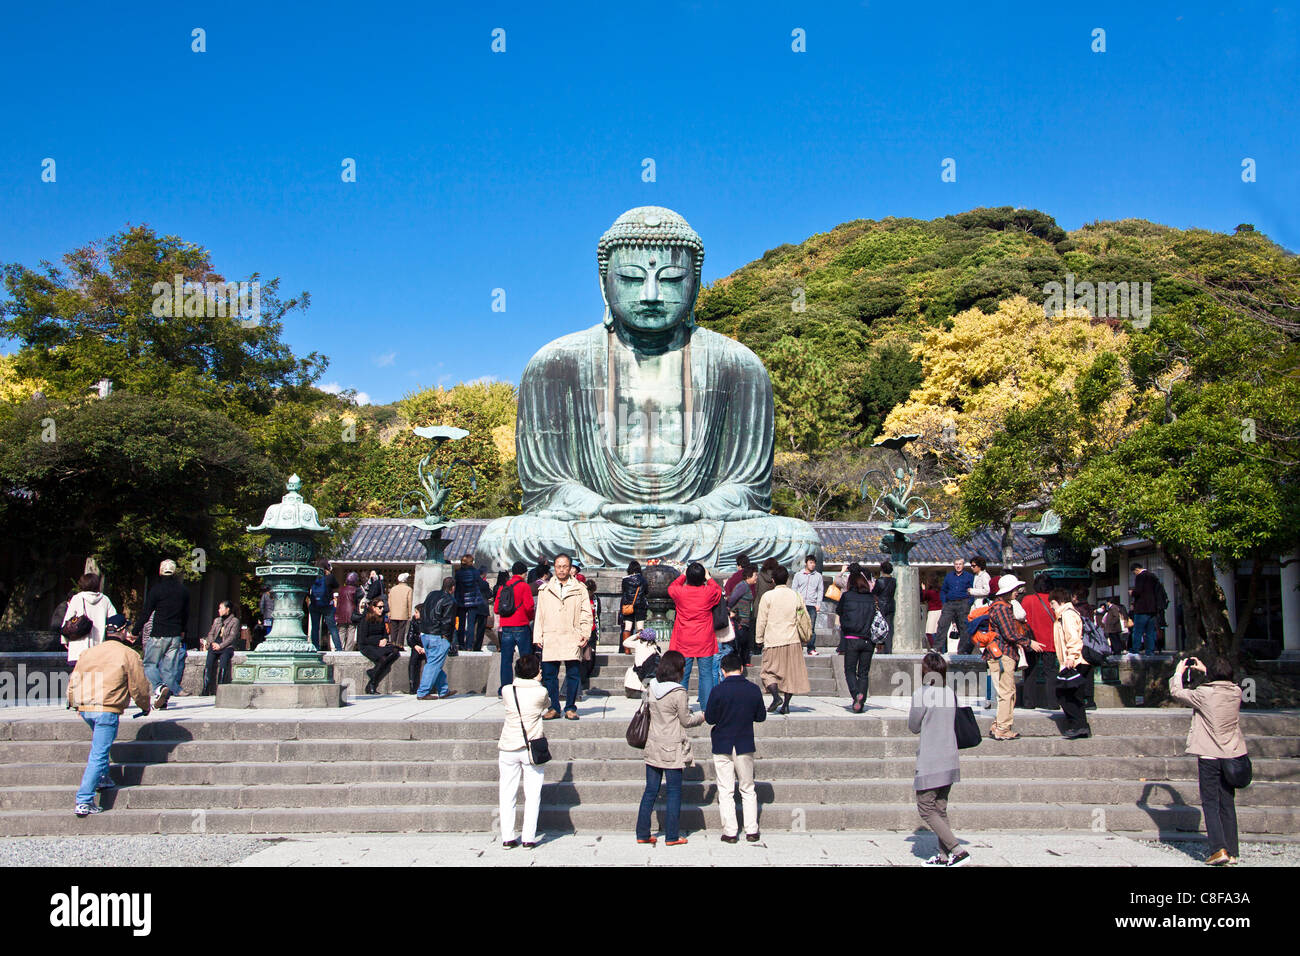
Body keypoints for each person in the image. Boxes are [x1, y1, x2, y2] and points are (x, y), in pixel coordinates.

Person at [67, 615, 151, 817]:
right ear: (123, 631)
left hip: (86, 707)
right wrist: (145, 705)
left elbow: (74, 679)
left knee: (99, 747)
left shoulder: (89, 652)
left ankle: (103, 778)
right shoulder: (128, 654)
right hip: (107, 708)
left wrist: (74, 702)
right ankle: (84, 800)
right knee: (98, 754)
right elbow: (138, 686)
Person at [1170, 656, 1248, 865]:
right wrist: (1208, 670)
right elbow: (1221, 683)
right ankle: (1231, 851)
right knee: (1227, 803)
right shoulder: (1236, 692)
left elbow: (1177, 693)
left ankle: (1218, 849)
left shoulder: (1204, 693)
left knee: (1210, 803)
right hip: (1231, 753)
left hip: (1209, 755)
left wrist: (1178, 672)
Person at [635, 650, 705, 846]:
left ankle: (642, 832)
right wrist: (702, 716)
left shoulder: (652, 687)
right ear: (678, 669)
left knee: (650, 790)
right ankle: (672, 835)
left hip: (653, 742)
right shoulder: (678, 692)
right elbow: (686, 720)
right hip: (672, 745)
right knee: (674, 791)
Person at [908, 652, 969, 866]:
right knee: (940, 808)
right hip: (950, 757)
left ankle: (957, 850)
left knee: (925, 806)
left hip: (931, 759)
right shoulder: (949, 693)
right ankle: (945, 857)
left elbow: (913, 726)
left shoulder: (922, 694)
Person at [705, 652, 766, 843]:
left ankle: (730, 831)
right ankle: (751, 830)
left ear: (723, 671)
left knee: (726, 789)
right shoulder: (753, 689)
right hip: (744, 741)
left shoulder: (718, 691)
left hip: (722, 742)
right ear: (741, 668)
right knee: (748, 787)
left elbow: (710, 718)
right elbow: (761, 716)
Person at [499, 654, 550, 849]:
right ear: (536, 672)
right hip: (531, 746)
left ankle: (507, 836)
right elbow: (546, 706)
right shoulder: (541, 692)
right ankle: (528, 837)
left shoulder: (506, 690)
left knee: (507, 792)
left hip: (508, 746)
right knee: (532, 794)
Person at [533, 554, 592, 720]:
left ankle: (571, 707)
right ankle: (553, 707)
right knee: (550, 674)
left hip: (571, 634)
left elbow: (586, 614)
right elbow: (540, 614)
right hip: (551, 634)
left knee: (573, 673)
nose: (561, 570)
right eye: (558, 566)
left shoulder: (580, 588)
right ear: (554, 567)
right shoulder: (545, 589)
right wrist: (538, 635)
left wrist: (585, 633)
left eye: (565, 566)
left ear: (570, 567)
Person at [134, 559, 191, 710]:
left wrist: (135, 630)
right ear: (174, 572)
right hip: (175, 635)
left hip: (159, 633)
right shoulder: (183, 591)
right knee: (169, 669)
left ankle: (159, 688)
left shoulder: (157, 590)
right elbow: (186, 614)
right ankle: (163, 701)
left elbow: (146, 613)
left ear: (160, 571)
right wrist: (183, 629)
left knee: (149, 664)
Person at [755, 565, 811, 715]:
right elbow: (804, 616)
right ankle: (785, 704)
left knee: (768, 672)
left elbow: (761, 620)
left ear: (772, 580)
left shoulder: (768, 596)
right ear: (787, 579)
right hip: (792, 639)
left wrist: (758, 638)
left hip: (773, 639)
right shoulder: (796, 595)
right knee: (790, 674)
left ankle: (775, 696)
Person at [667, 562, 723, 712]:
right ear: (702, 578)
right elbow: (718, 590)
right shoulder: (708, 592)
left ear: (688, 577)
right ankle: (707, 707)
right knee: (706, 675)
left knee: (683, 675)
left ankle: (682, 707)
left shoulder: (680, 592)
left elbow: (671, 587)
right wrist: (709, 578)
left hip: (684, 638)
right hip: (704, 638)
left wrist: (683, 575)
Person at [984, 574, 1032, 740]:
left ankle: (999, 724)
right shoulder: (1003, 608)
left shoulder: (996, 606)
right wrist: (1029, 642)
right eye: (1014, 589)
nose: (1017, 592)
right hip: (1003, 653)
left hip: (997, 652)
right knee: (1007, 692)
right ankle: (1003, 728)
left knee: (1005, 691)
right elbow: (1010, 634)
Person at [1049, 588, 1091, 738]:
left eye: (1052, 602)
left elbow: (1073, 637)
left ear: (1059, 601)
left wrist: (1071, 656)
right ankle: (1079, 726)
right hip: (1072, 660)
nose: (1051, 606)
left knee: (1066, 694)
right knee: (1071, 694)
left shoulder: (1066, 615)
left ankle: (1078, 725)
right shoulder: (1067, 614)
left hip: (1073, 660)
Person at [837, 571, 879, 713]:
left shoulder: (846, 596)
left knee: (849, 670)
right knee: (863, 672)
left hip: (852, 638)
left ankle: (856, 694)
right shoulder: (871, 598)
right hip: (868, 640)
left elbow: (840, 612)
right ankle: (860, 702)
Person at [495, 561, 536, 692]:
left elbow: (496, 608)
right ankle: (526, 684)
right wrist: (530, 618)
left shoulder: (503, 587)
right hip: (521, 624)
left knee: (506, 659)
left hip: (506, 626)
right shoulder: (524, 586)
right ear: (524, 573)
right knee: (525, 657)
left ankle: (505, 687)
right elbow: (529, 606)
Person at [61, 572, 117, 665]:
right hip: (98, 648)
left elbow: (67, 622)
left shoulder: (77, 598)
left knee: (79, 677)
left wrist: (64, 640)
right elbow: (114, 619)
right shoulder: (105, 599)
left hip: (78, 648)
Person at [414, 579, 457, 700]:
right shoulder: (450, 601)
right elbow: (448, 622)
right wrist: (447, 637)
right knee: (433, 664)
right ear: (452, 588)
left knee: (434, 662)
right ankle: (422, 692)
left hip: (425, 633)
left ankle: (443, 690)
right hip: (438, 635)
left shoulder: (431, 594)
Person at [1020, 573, 1058, 710]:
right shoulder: (1054, 601)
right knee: (1051, 672)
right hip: (1049, 640)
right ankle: (1053, 702)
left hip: (1032, 640)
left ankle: (1029, 701)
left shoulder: (1027, 599)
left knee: (1030, 671)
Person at [359, 599, 401, 695]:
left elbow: (385, 634)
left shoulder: (382, 618)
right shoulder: (365, 619)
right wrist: (378, 642)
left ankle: (372, 673)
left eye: (383, 607)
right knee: (382, 659)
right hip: (368, 645)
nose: (382, 609)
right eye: (380, 607)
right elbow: (363, 639)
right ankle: (372, 684)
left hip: (380, 644)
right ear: (373, 608)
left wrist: (385, 640)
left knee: (395, 651)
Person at [935, 558, 975, 655]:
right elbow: (944, 590)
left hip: (963, 602)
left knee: (963, 626)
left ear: (963, 565)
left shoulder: (969, 576)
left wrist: (969, 603)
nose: (958, 566)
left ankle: (962, 650)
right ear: (954, 565)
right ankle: (937, 648)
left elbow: (973, 590)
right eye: (956, 564)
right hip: (950, 603)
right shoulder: (949, 576)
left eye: (960, 564)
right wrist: (944, 602)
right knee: (942, 624)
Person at [200, 601, 240, 695]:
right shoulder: (217, 620)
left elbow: (232, 637)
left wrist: (220, 646)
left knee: (223, 662)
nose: (219, 610)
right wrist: (212, 642)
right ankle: (205, 688)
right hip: (215, 645)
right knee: (208, 664)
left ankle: (221, 688)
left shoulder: (234, 621)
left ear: (227, 609)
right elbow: (211, 633)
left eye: (221, 608)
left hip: (226, 646)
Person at [791, 555, 825, 656]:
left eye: (814, 563)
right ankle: (797, 647)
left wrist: (818, 604)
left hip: (812, 605)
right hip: (800, 605)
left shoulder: (818, 576)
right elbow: (794, 589)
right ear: (806, 563)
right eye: (810, 562)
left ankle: (811, 648)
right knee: (798, 625)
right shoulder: (798, 575)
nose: (812, 565)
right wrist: (795, 602)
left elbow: (820, 590)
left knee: (811, 627)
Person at [1130, 563, 1166, 655]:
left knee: (1137, 631)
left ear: (1136, 570)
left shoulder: (1140, 576)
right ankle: (1150, 651)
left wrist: (1132, 592)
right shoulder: (1153, 576)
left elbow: (1138, 591)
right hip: (1153, 609)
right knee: (1150, 631)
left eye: (1134, 572)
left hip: (1142, 608)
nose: (1135, 574)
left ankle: (1135, 649)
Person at [727, 565, 759, 666]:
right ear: (748, 576)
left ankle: (744, 661)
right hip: (740, 620)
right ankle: (740, 663)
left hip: (745, 620)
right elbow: (732, 599)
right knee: (740, 641)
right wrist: (729, 610)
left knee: (744, 641)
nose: (756, 577)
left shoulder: (747, 586)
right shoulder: (742, 586)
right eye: (755, 575)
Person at [453, 554, 484, 651]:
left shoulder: (458, 573)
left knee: (461, 624)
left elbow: (456, 587)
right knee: (471, 624)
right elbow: (480, 584)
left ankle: (460, 644)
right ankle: (469, 645)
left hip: (461, 600)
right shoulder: (475, 572)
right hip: (473, 600)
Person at [623, 626, 663, 698]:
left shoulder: (638, 643)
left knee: (631, 669)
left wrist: (637, 635)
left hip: (638, 677)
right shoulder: (655, 647)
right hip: (649, 675)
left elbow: (625, 642)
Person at [307, 564, 340, 650]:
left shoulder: (312, 577)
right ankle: (338, 648)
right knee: (332, 627)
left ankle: (315, 647)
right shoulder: (329, 577)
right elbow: (336, 585)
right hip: (327, 606)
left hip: (314, 605)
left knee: (315, 627)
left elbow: (307, 589)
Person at [335, 572, 364, 652]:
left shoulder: (341, 589)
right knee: (351, 631)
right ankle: (348, 650)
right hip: (352, 613)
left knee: (341, 631)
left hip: (341, 613)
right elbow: (360, 601)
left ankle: (340, 648)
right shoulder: (356, 590)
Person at [581, 579, 601, 695]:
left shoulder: (596, 599)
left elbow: (598, 613)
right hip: (583, 630)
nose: (590, 594)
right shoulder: (581, 599)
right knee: (585, 656)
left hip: (593, 629)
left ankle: (587, 673)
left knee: (591, 653)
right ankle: (583, 679)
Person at [874, 560, 897, 654]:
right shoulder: (894, 581)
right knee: (890, 627)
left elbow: (874, 593)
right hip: (891, 604)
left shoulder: (879, 581)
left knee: (880, 627)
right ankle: (888, 649)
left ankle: (881, 648)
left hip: (881, 605)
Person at [620, 560, 649, 636]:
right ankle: (639, 646)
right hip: (640, 605)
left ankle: (627, 647)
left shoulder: (625, 580)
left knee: (627, 627)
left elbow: (624, 592)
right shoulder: (643, 580)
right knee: (640, 628)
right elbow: (646, 592)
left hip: (628, 606)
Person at [386, 572, 414, 649]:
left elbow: (389, 601)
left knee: (393, 629)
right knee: (402, 629)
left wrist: (389, 612)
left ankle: (393, 643)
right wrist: (409, 613)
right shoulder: (408, 589)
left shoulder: (393, 589)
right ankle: (399, 645)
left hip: (393, 613)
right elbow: (409, 602)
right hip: (403, 612)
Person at [921, 574, 942, 649]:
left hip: (933, 611)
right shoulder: (940, 590)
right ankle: (940, 648)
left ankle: (934, 647)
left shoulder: (929, 592)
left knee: (929, 631)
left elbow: (923, 598)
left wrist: (923, 589)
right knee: (938, 631)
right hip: (941, 611)